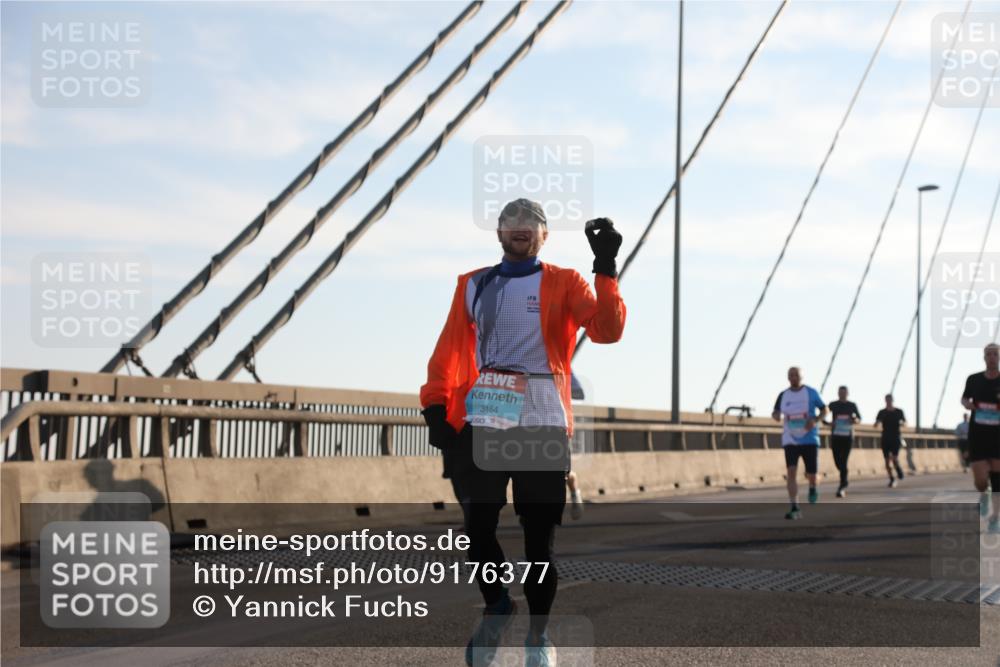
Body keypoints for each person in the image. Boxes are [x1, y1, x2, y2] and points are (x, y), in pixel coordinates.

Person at [420, 198, 626, 667]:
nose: (520, 229)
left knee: (538, 540)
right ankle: (497, 605)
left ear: (544, 236)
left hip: (542, 414)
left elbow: (608, 330)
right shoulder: (473, 284)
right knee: (476, 525)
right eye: (511, 222)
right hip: (488, 407)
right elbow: (450, 347)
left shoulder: (564, 281)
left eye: (531, 224)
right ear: (497, 232)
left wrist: (606, 267)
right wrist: (435, 404)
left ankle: (538, 636)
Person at [772, 367, 827, 519]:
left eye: (796, 375)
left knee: (812, 475)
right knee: (791, 473)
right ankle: (795, 507)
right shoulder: (783, 395)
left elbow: (824, 409)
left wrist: (815, 420)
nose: (793, 377)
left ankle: (813, 486)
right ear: (787, 377)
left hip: (809, 439)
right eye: (790, 375)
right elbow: (776, 412)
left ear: (801, 376)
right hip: (790, 439)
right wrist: (776, 415)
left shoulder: (811, 392)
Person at [962, 343, 1000, 530]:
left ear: (999, 357)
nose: (992, 357)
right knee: (981, 481)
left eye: (995, 354)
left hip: (998, 436)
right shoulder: (974, 379)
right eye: (988, 354)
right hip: (978, 434)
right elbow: (964, 398)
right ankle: (983, 495)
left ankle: (995, 518)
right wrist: (968, 405)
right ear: (984, 357)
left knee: (997, 479)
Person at [826, 385, 861, 498]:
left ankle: (842, 485)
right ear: (838, 393)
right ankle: (844, 477)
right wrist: (828, 424)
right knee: (837, 462)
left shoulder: (852, 405)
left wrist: (854, 420)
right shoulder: (833, 404)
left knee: (844, 461)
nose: (842, 394)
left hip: (848, 437)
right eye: (840, 392)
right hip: (836, 436)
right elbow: (822, 415)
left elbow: (859, 419)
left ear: (847, 393)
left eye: (844, 392)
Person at [875, 395, 906, 487]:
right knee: (887, 461)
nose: (888, 402)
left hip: (896, 438)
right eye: (887, 400)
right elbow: (876, 423)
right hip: (885, 438)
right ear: (885, 401)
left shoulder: (899, 411)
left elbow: (905, 422)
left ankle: (898, 469)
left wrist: (902, 423)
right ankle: (892, 479)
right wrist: (877, 423)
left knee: (894, 458)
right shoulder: (882, 412)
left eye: (890, 400)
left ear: (892, 400)